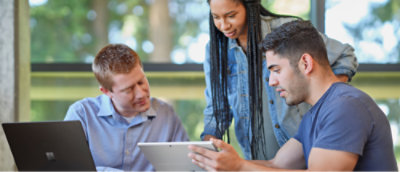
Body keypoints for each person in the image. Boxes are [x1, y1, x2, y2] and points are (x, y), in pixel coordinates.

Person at [189, 20, 397, 171]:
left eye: (276, 70)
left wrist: (240, 167)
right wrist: (222, 164)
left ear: (306, 63)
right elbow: (276, 165)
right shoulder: (313, 117)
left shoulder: (346, 106)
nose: (270, 81)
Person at [201, 0, 359, 160]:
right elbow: (216, 108)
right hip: (257, 161)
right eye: (216, 17)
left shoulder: (286, 31)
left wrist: (326, 103)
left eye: (231, 16)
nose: (224, 25)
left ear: (249, 6)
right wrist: (205, 147)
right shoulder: (215, 50)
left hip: (306, 152)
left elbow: (345, 56)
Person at [64, 44, 189, 171]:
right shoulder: (82, 114)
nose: (141, 94)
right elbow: (67, 168)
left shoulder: (166, 114)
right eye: (128, 90)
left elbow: (186, 167)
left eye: (141, 82)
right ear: (107, 92)